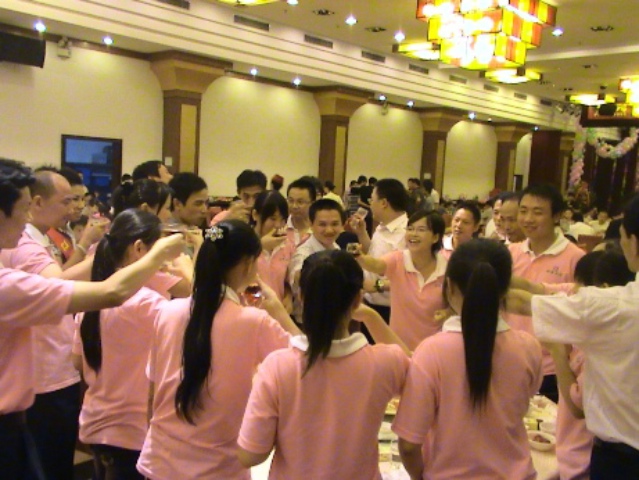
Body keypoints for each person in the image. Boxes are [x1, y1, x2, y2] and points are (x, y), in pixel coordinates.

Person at [0, 158, 184, 480]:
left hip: (84, 423)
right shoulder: (9, 281)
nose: (27, 219)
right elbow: (112, 292)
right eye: (24, 208)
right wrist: (163, 256)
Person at [137, 220, 300, 480]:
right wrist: (279, 312)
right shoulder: (253, 321)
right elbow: (307, 362)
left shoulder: (167, 312)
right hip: (218, 469)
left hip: (160, 462)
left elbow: (152, 394)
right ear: (248, 264)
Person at [237, 250, 410, 478]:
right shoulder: (385, 362)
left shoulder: (277, 367)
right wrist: (372, 316)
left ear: (301, 297)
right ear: (357, 299)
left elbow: (250, 455)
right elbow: (416, 370)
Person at [393, 239, 543, 479]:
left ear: (449, 287)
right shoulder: (528, 347)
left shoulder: (432, 352)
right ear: (505, 289)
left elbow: (409, 444)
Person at [531, 194, 639, 479]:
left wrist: (557, 350)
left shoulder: (613, 305)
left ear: (633, 242)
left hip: (620, 457)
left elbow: (524, 302)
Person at [73, 210, 171, 480]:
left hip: (96, 424)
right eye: (160, 251)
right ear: (139, 249)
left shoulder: (93, 297)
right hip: (133, 431)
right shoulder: (149, 304)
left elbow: (77, 362)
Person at [508, 184, 584, 402]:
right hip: (510, 359)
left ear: (557, 216)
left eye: (538, 212)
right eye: (523, 211)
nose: (528, 219)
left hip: (551, 367)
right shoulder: (510, 253)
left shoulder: (575, 258)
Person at [355, 211, 447, 350]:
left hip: (433, 349)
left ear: (435, 237)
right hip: (399, 347)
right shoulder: (398, 259)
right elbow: (376, 265)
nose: (413, 234)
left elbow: (457, 303)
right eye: (410, 229)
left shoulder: (447, 267)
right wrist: (360, 257)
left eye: (421, 230)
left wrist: (447, 312)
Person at [112, 178, 194, 299]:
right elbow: (191, 292)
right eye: (167, 208)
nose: (169, 215)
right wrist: (187, 263)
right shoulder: (143, 256)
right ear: (145, 209)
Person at [349, 178, 409, 324]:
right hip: (371, 302)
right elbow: (373, 253)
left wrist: (376, 286)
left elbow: (407, 280)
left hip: (391, 309)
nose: (370, 204)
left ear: (383, 203)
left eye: (372, 199)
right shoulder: (382, 226)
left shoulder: (407, 233)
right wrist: (362, 233)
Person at [288, 199, 345, 319]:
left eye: (335, 224)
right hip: (308, 321)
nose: (329, 230)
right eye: (322, 224)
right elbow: (297, 276)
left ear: (342, 225)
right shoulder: (303, 252)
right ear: (311, 224)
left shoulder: (336, 247)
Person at [252, 190, 293, 302]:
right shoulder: (242, 241)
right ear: (255, 215)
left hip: (277, 308)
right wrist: (259, 246)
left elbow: (287, 281)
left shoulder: (287, 245)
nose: (278, 225)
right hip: (248, 309)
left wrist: (289, 295)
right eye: (272, 218)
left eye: (282, 219)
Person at [285, 177, 316, 247]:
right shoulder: (280, 227)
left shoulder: (318, 230)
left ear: (312, 204)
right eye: (291, 201)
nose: (294, 206)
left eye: (300, 202)